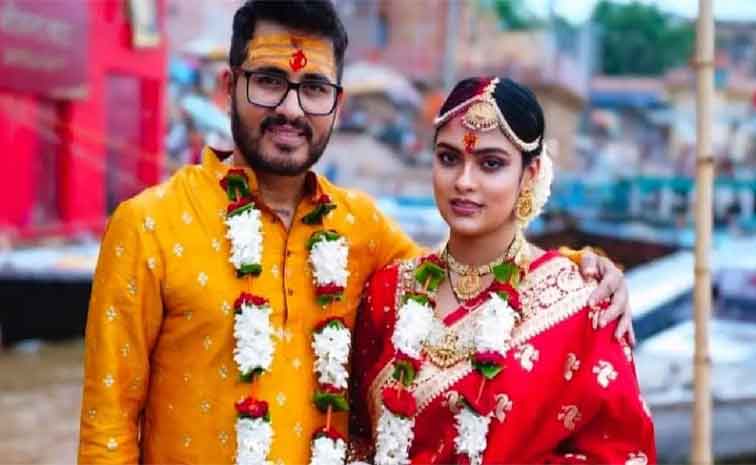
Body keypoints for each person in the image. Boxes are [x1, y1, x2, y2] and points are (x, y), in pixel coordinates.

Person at [78, 2, 633, 464]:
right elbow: (107, 430)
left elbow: (466, 276)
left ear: (338, 104)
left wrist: (581, 266)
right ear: (228, 87)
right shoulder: (149, 225)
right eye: (269, 81)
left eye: (314, 88)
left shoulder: (360, 228)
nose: (291, 108)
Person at [351, 77, 656, 465]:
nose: (464, 182)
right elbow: (355, 437)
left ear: (529, 174)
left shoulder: (583, 303)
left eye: (491, 164)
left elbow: (624, 454)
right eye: (449, 158)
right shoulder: (388, 291)